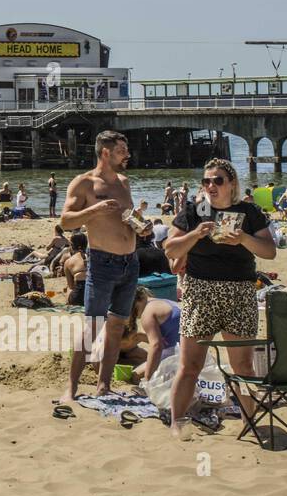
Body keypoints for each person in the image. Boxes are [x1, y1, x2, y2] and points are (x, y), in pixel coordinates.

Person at [163, 157, 274, 436]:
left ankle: (251, 422)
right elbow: (170, 250)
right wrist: (196, 235)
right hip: (200, 292)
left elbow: (269, 251)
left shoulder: (249, 212)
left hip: (239, 292)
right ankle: (177, 422)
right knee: (190, 365)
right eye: (207, 181)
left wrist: (243, 240)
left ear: (232, 183)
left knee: (243, 366)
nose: (211, 185)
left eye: (218, 180)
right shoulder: (194, 211)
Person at [59, 130, 140, 404]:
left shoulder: (124, 181)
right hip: (103, 262)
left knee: (117, 327)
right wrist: (94, 210)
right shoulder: (84, 184)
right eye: (121, 150)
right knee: (92, 327)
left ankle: (104, 385)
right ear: (105, 152)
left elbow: (125, 218)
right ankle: (70, 388)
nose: (126, 154)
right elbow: (66, 221)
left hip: (131, 262)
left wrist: (141, 224)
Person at [132, 289, 180, 383]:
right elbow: (171, 335)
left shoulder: (147, 313)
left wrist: (147, 380)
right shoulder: (163, 302)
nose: (135, 315)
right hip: (193, 349)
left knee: (135, 376)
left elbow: (156, 346)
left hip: (177, 354)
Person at [61, 232, 88, 307]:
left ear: (72, 245)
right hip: (96, 295)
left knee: (68, 288)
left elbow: (71, 286)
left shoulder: (68, 261)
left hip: (79, 297)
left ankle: (68, 304)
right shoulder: (96, 257)